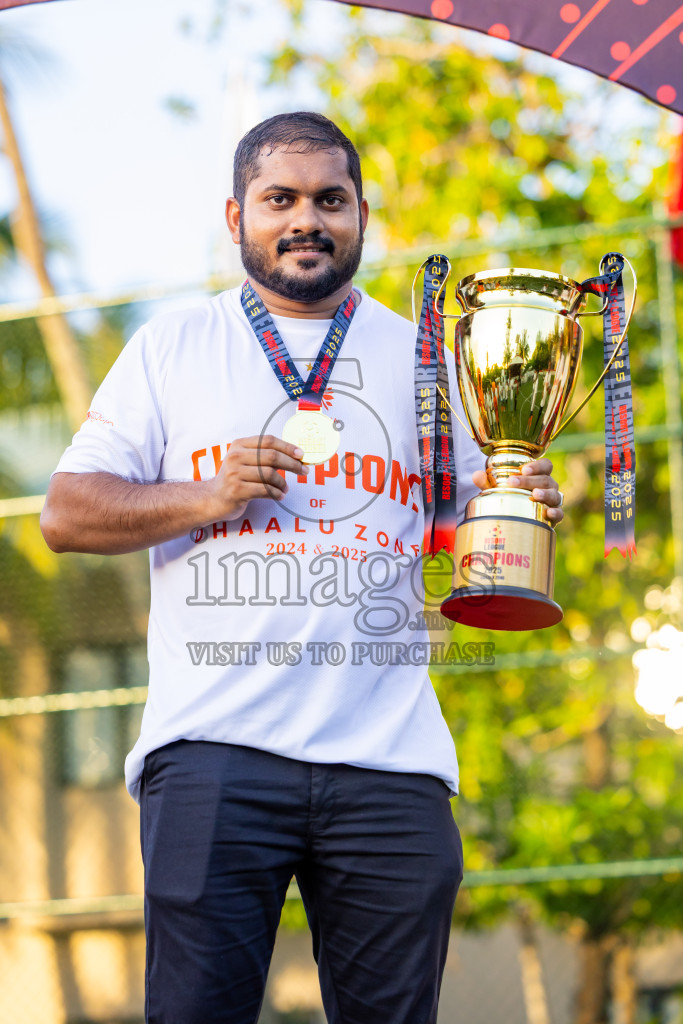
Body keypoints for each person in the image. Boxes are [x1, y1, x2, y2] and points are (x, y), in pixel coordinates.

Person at [41, 112, 564, 1024]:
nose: (305, 220)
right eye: (279, 199)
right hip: (213, 750)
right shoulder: (172, 347)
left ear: (362, 214)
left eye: (329, 199)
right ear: (236, 215)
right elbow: (66, 513)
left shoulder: (427, 359)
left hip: (388, 760)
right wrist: (205, 495)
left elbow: (465, 524)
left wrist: (519, 501)